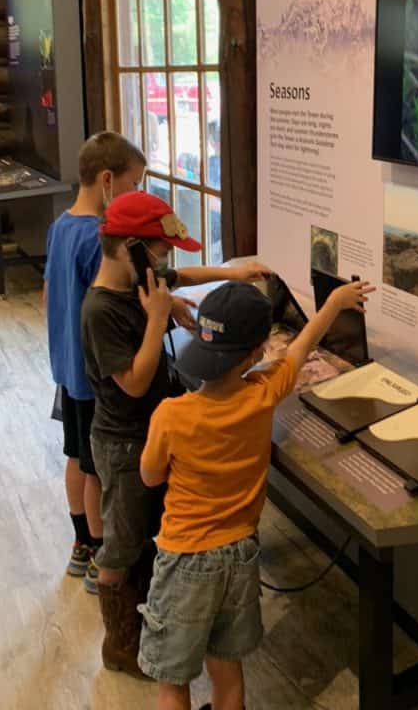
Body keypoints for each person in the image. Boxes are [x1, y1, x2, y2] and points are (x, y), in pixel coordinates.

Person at [137, 276, 374, 710]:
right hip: (240, 555)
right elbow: (302, 346)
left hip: (184, 559)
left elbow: (150, 477)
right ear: (256, 353)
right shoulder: (264, 393)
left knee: (173, 680)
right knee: (227, 667)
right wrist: (336, 302)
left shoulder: (171, 415)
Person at [80, 190, 268, 677]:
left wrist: (231, 273)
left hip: (148, 434)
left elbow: (182, 276)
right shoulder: (101, 310)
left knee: (144, 533)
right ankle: (119, 645)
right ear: (131, 247)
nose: (164, 261)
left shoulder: (137, 281)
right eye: (159, 250)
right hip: (123, 444)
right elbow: (135, 379)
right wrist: (159, 318)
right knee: (120, 546)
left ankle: (148, 626)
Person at [44, 131, 148, 593]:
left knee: (74, 457)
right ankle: (100, 554)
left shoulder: (61, 225)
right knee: (95, 470)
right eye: (134, 182)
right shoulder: (95, 238)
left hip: (65, 370)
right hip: (91, 378)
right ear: (107, 180)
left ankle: (80, 545)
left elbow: (50, 293)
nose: (136, 193)